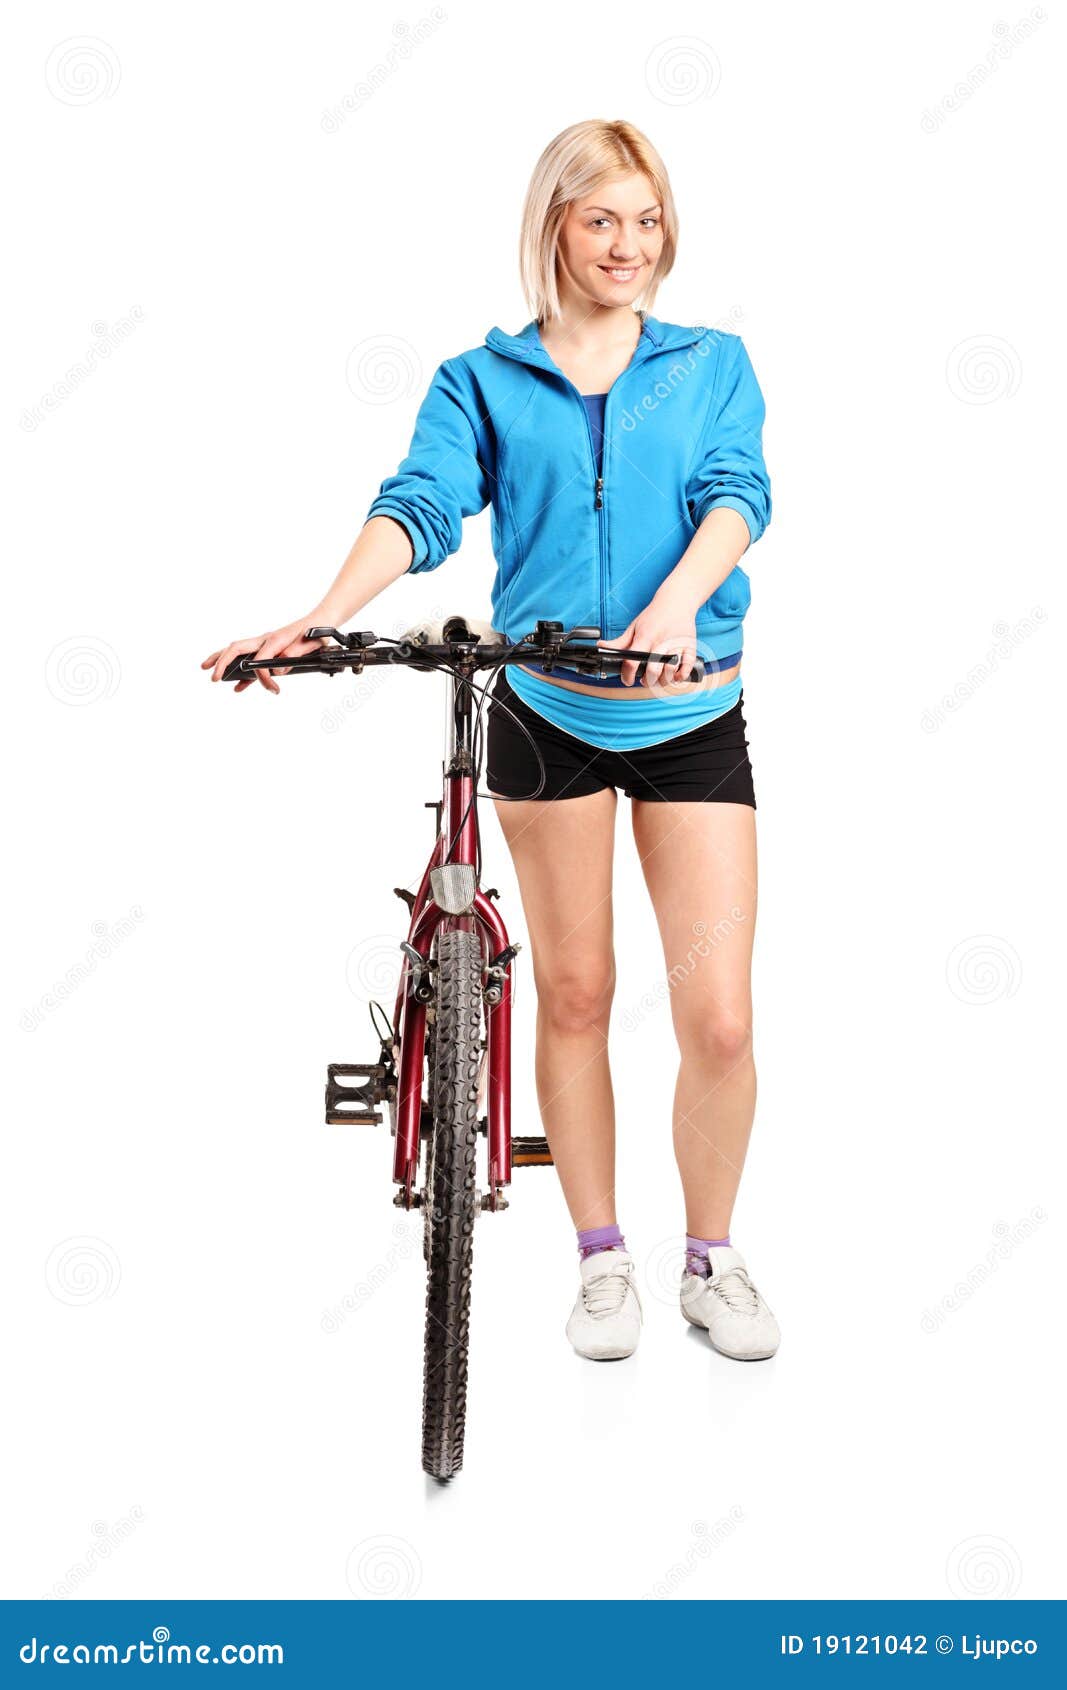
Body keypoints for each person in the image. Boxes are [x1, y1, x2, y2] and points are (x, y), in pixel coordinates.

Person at [203, 118, 780, 1365]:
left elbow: (740, 490)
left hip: (690, 710)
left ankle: (711, 1257)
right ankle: (600, 1257)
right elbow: (419, 504)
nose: (628, 244)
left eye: (647, 219)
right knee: (575, 990)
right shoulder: (480, 378)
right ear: (554, 227)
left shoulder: (710, 361)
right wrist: (322, 615)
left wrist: (676, 602)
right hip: (548, 711)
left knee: (718, 1018)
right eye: (601, 219)